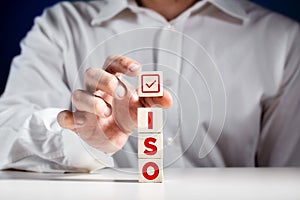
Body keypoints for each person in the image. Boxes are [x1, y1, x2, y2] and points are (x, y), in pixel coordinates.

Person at [0, 0, 299, 173]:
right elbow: (5, 131)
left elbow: (290, 177)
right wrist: (79, 142)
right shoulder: (62, 26)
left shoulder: (282, 40)